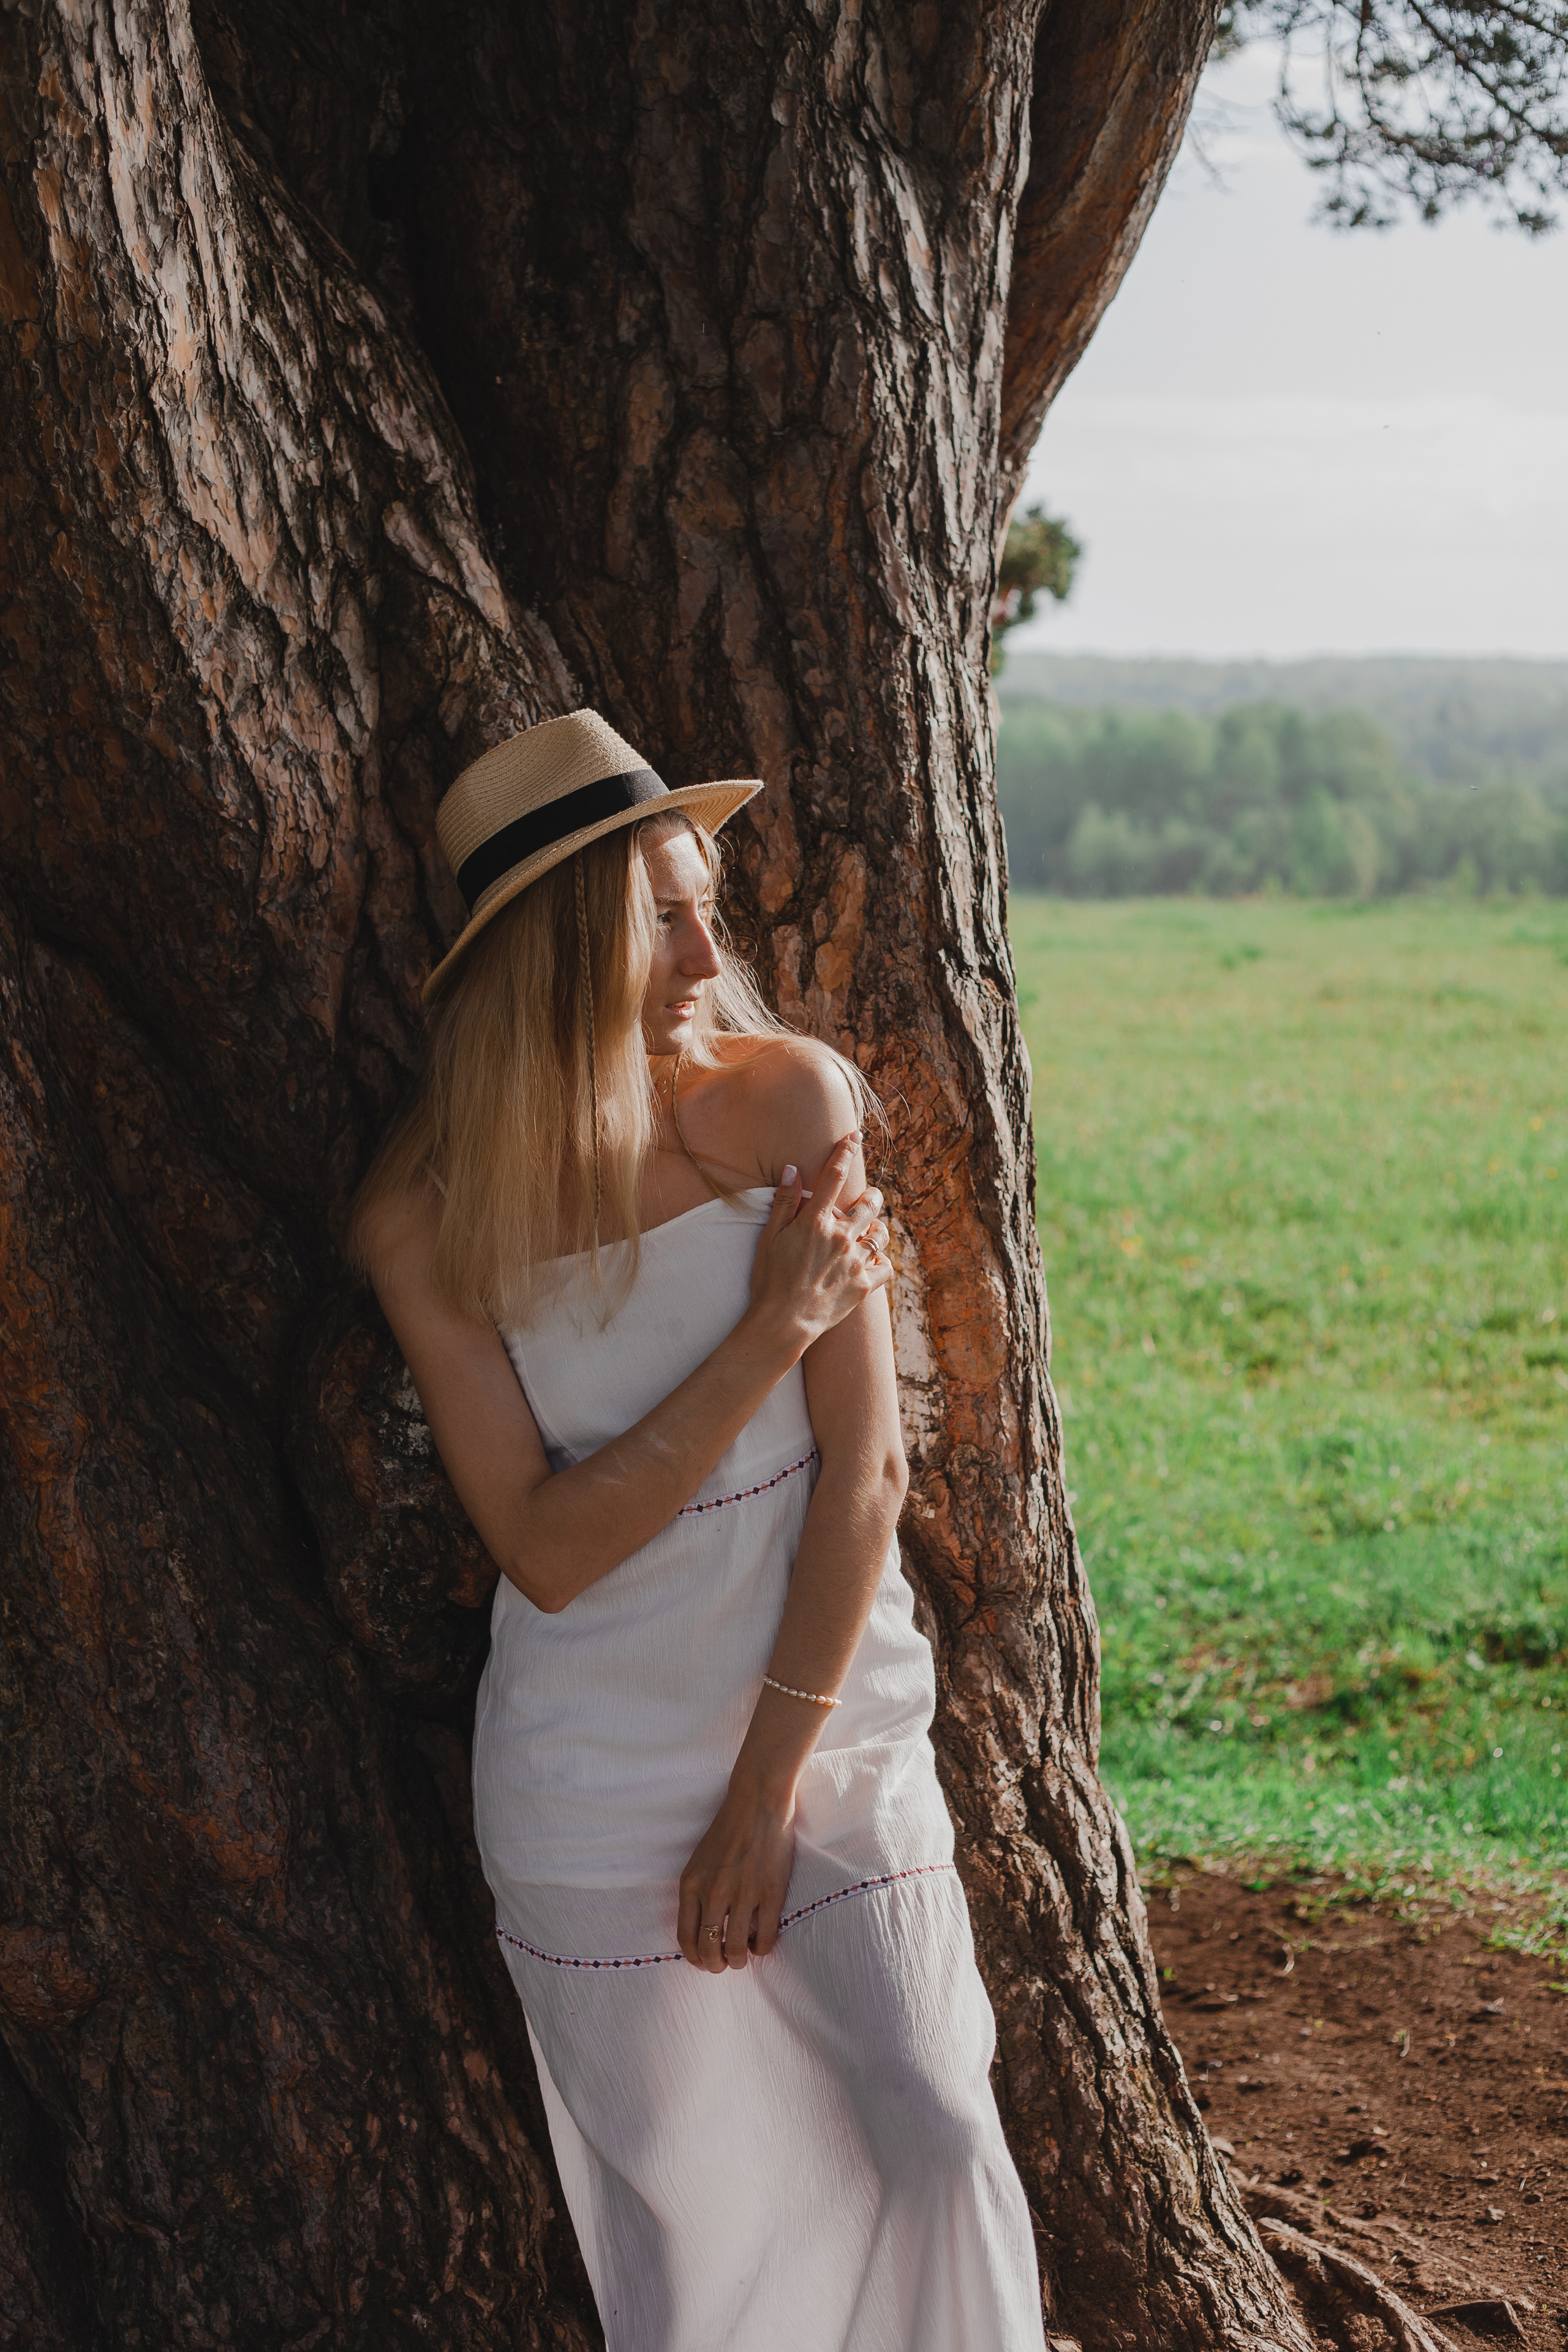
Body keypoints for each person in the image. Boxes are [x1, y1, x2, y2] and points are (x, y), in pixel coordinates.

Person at [351, 710, 1045, 2350]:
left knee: (938, 2133)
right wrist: (765, 1333)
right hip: (590, 1774)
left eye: (698, 898)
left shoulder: (788, 1103)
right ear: (555, 944)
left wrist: (763, 1795)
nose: (705, 942)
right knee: (704, 2250)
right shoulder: (432, 1216)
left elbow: (864, 1479)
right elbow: (548, 1545)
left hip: (826, 1735)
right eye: (659, 911)